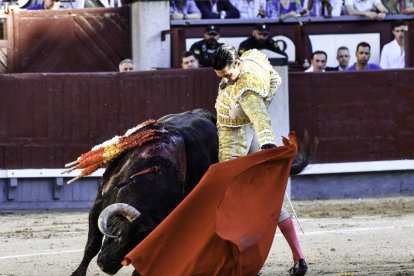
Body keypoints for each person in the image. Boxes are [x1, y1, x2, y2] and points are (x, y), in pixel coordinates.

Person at [212, 44, 308, 276]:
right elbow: (275, 80)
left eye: (227, 74)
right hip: (248, 131)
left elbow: (260, 118)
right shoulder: (251, 61)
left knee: (225, 196)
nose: (225, 80)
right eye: (220, 76)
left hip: (238, 139)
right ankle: (299, 256)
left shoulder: (247, 88)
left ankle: (240, 261)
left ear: (236, 64)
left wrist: (267, 143)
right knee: (270, 197)